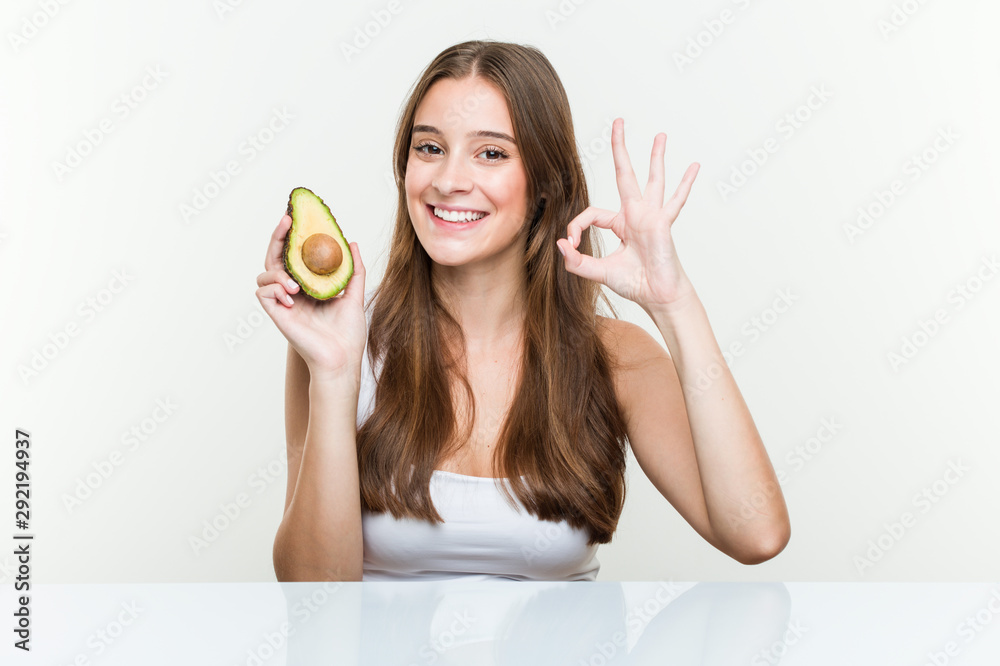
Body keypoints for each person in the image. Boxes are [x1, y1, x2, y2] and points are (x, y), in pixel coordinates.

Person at [256, 40, 790, 582]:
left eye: (491, 153)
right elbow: (313, 593)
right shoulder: (339, 345)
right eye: (430, 148)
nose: (448, 181)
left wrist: (674, 303)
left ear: (543, 184)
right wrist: (333, 376)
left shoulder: (618, 358)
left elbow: (756, 535)